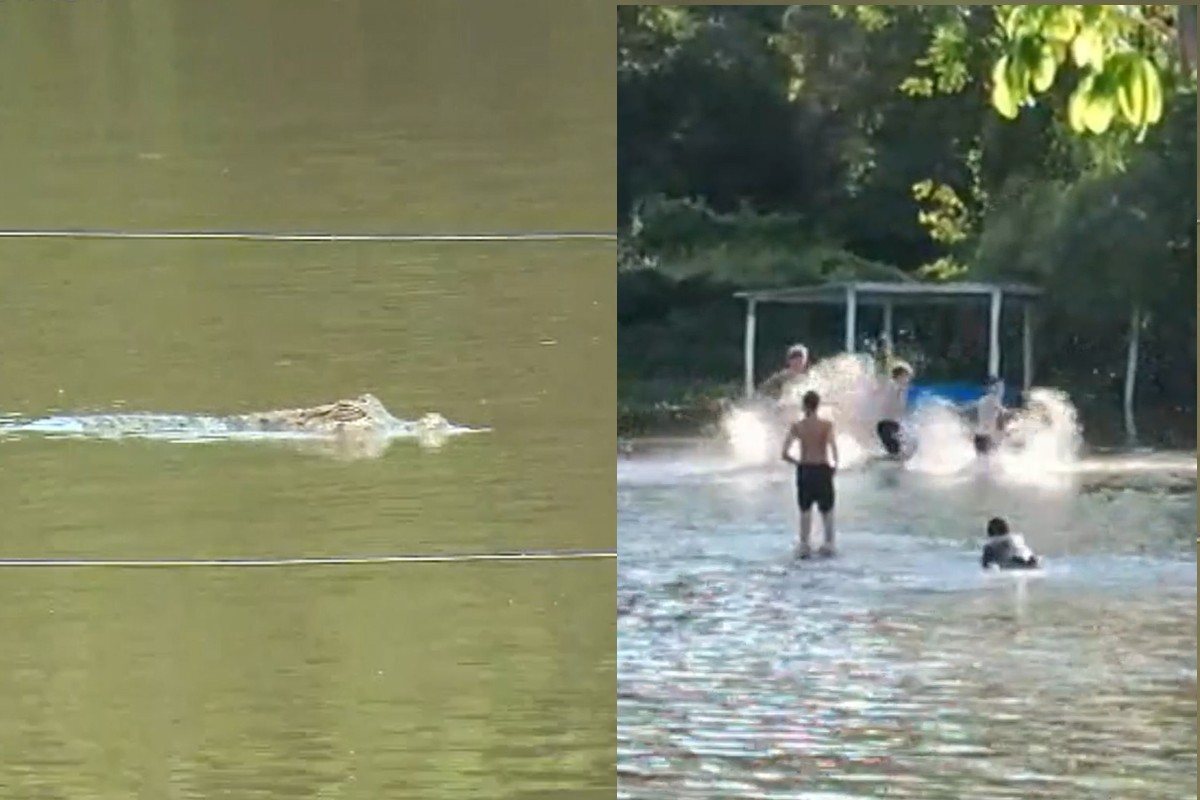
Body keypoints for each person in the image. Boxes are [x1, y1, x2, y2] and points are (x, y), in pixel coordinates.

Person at [780, 390, 840, 559]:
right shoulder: (827, 425)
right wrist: (834, 467)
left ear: (804, 406)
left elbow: (784, 453)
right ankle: (828, 544)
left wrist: (797, 463)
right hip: (822, 469)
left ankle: (804, 545)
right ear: (817, 405)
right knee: (827, 511)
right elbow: (834, 449)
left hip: (805, 470)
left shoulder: (798, 426)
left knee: (805, 510)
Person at [876, 362, 913, 458]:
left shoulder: (901, 388)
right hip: (887, 425)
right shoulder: (893, 385)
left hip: (892, 425)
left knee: (901, 452)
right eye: (906, 375)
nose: (908, 379)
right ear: (900, 375)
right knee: (897, 453)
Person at [973, 376, 1007, 456]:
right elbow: (1002, 416)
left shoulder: (982, 400)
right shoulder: (993, 400)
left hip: (979, 435)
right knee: (989, 460)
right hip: (987, 437)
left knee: (982, 461)